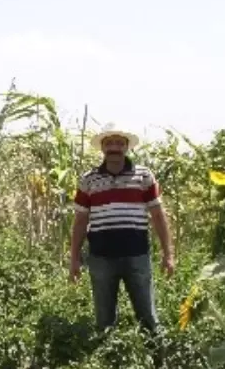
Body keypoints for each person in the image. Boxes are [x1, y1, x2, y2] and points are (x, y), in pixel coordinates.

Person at [68, 124, 174, 332]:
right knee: (104, 321)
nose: (114, 147)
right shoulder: (89, 180)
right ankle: (107, 358)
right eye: (109, 143)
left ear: (127, 147)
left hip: (137, 255)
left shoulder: (144, 177)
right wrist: (74, 259)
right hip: (101, 258)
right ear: (102, 148)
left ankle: (157, 358)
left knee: (148, 317)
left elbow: (158, 216)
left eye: (119, 143)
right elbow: (80, 221)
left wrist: (168, 254)